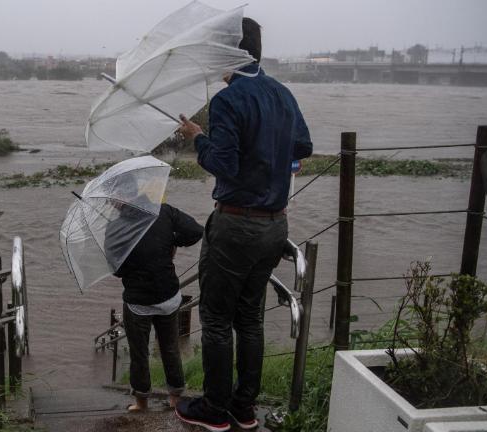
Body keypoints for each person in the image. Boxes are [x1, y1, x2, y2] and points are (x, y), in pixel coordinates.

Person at [174, 18, 313, 431]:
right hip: (276, 226)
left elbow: (225, 165)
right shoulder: (282, 93)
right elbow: (302, 146)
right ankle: (244, 408)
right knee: (249, 318)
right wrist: (274, 158)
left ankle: (214, 410)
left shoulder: (228, 99)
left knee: (216, 319)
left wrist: (198, 138)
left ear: (232, 53)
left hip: (235, 226)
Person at [111, 189, 203, 412]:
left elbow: (117, 269)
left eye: (113, 198)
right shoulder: (164, 211)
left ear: (121, 199)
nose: (111, 203)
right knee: (170, 347)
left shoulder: (115, 228)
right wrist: (172, 243)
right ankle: (175, 397)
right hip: (169, 296)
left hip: (138, 301)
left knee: (139, 352)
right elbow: (195, 231)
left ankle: (141, 402)